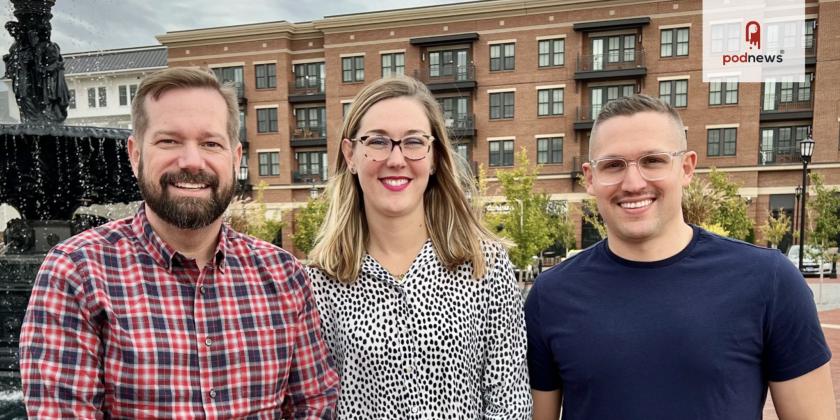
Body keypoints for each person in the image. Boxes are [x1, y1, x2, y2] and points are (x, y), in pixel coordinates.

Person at [19, 67, 339, 418]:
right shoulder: (76, 272)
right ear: (136, 153)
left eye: (210, 143)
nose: (191, 161)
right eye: (169, 141)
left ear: (235, 158)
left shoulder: (284, 275)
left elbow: (315, 405)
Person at [526, 94, 835, 420]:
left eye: (653, 161)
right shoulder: (551, 296)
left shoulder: (769, 280)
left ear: (686, 167)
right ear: (590, 178)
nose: (633, 183)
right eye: (613, 165)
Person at [306, 76, 531, 418]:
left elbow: (509, 403)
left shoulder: (485, 266)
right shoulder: (320, 281)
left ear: (435, 156)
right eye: (378, 142)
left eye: (413, 142)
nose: (396, 159)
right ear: (351, 155)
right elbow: (316, 407)